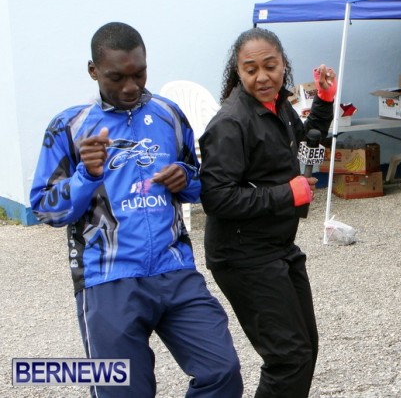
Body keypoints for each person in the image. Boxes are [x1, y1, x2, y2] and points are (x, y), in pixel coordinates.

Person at [29, 22, 242, 398]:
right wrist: (85, 176)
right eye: (117, 77)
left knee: (222, 372)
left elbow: (200, 184)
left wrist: (186, 178)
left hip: (175, 271)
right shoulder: (68, 127)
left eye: (139, 74)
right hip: (107, 280)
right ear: (93, 70)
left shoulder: (168, 114)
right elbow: (46, 209)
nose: (131, 87)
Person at [198, 27, 336, 398]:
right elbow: (216, 199)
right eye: (251, 69)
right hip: (242, 255)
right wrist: (285, 195)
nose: (262, 77)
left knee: (305, 350)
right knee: (288, 359)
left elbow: (304, 143)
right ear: (238, 72)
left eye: (270, 67)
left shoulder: (277, 105)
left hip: (277, 246)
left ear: (283, 65)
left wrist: (324, 101)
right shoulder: (230, 124)